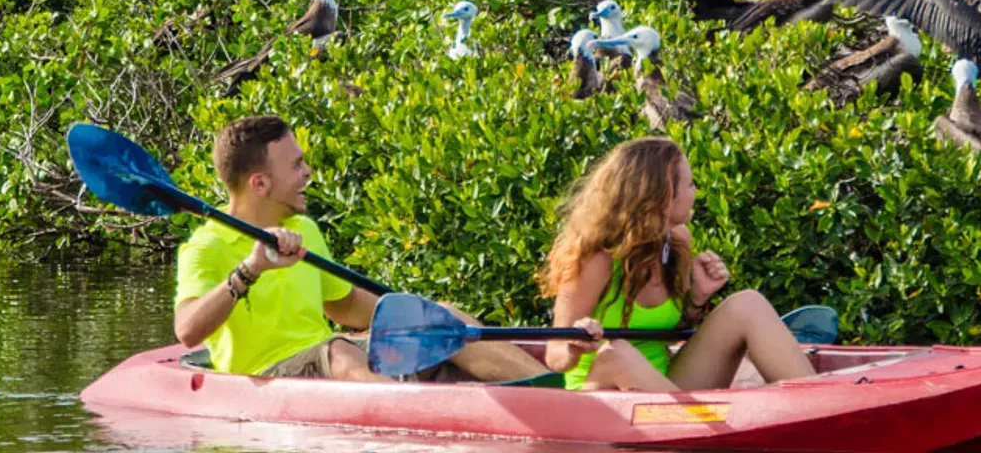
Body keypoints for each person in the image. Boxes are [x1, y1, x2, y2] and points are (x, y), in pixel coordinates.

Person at [174, 114, 544, 382]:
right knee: (336, 351)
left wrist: (416, 314)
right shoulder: (205, 247)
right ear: (260, 184)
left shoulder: (303, 229)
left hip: (329, 361)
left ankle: (560, 397)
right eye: (297, 164)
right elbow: (187, 331)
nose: (308, 173)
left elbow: (344, 304)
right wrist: (249, 270)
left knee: (441, 319)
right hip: (267, 374)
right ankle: (411, 420)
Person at [538, 135, 818, 391]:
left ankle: (817, 406)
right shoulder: (596, 259)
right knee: (617, 353)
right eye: (689, 184)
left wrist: (697, 298)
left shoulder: (678, 242)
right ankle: (705, 425)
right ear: (660, 196)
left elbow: (671, 336)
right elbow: (555, 354)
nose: (695, 192)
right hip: (599, 396)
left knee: (748, 303)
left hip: (663, 388)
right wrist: (574, 346)